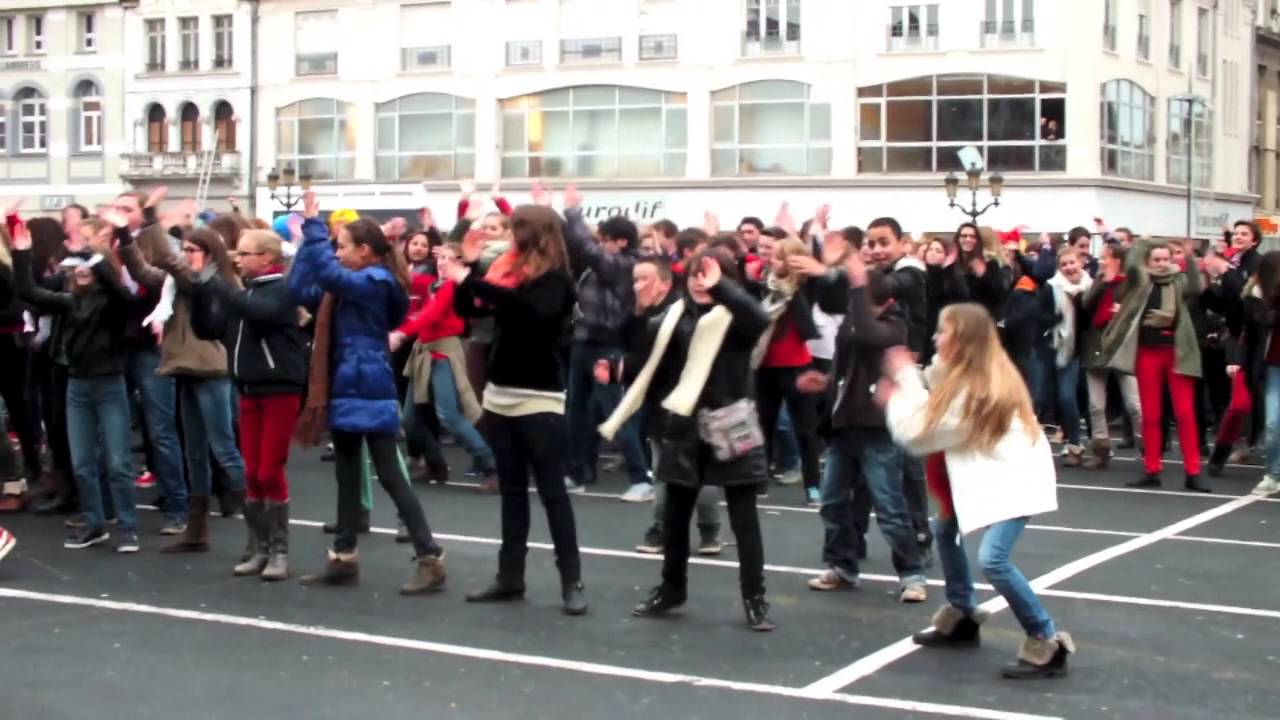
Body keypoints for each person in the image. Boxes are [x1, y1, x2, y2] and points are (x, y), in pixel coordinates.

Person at [885, 303, 1075, 680]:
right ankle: (961, 615)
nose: (936, 338)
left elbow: (917, 434)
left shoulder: (977, 389)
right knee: (944, 530)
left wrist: (902, 384)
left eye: (944, 332)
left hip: (1015, 479)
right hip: (993, 471)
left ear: (964, 341)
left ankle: (1046, 640)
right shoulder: (966, 373)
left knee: (994, 559)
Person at [606, 248, 774, 631]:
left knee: (744, 518)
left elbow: (759, 318)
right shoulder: (672, 318)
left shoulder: (734, 319)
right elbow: (648, 362)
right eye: (696, 273)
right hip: (683, 424)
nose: (700, 280)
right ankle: (671, 589)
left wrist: (725, 289)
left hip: (732, 422)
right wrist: (619, 368)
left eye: (710, 274)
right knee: (676, 516)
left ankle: (755, 597)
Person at [289, 192, 447, 595]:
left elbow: (330, 276)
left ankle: (430, 557)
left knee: (391, 475)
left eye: (342, 246)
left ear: (365, 251)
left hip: (367, 381)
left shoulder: (375, 281)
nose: (337, 253)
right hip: (348, 382)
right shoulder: (350, 284)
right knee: (345, 475)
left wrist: (313, 229)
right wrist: (313, 245)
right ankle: (343, 556)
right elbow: (300, 287)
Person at [445, 203, 587, 617]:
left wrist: (471, 277)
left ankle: (571, 580)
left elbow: (527, 314)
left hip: (538, 393)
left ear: (532, 234)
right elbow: (472, 312)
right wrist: (463, 278)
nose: (506, 236)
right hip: (500, 390)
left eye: (513, 229)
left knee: (552, 492)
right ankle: (510, 576)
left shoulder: (556, 280)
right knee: (511, 491)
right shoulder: (505, 272)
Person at [801, 252, 929, 602]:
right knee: (832, 501)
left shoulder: (894, 325)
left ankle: (911, 573)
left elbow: (869, 335)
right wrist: (825, 382)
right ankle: (843, 565)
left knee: (889, 506)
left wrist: (858, 286)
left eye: (858, 297)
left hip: (878, 430)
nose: (851, 302)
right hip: (845, 426)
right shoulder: (853, 322)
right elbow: (848, 368)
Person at [117, 220, 249, 551]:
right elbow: (146, 274)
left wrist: (149, 222)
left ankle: (260, 532)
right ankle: (196, 531)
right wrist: (124, 240)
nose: (186, 255)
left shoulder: (213, 282)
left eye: (193, 250)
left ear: (209, 253)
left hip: (210, 370)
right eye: (185, 249)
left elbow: (175, 267)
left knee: (224, 448)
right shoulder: (178, 283)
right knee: (194, 454)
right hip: (185, 369)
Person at [11, 217, 141, 553]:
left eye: (86, 267)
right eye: (76, 267)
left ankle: (127, 528)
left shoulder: (112, 304)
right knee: (83, 464)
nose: (79, 271)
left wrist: (93, 256)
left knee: (117, 463)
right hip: (78, 389)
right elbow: (29, 291)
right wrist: (23, 254)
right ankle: (95, 524)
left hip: (109, 386)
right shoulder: (69, 302)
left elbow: (123, 294)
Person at [208, 229, 308, 581]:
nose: (240, 258)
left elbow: (259, 312)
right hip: (249, 388)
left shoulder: (281, 291)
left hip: (279, 388)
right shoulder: (246, 292)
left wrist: (222, 284)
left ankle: (279, 550)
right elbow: (214, 328)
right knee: (251, 472)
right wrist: (200, 294)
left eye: (246, 253)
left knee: (270, 469)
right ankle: (258, 546)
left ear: (268, 258)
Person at [608, 257, 723, 557]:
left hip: (693, 404)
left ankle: (691, 530)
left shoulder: (679, 316)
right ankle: (677, 530)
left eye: (645, 278)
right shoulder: (650, 314)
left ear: (666, 282)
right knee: (666, 471)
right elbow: (626, 342)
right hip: (663, 405)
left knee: (694, 472)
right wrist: (638, 311)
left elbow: (651, 360)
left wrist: (622, 368)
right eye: (635, 279)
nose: (638, 285)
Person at [561, 190, 649, 499]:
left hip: (608, 345)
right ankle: (578, 471)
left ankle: (641, 478)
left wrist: (572, 212)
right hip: (583, 341)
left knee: (615, 410)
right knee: (576, 412)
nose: (600, 244)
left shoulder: (625, 264)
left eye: (606, 239)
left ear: (621, 242)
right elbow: (578, 248)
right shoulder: (601, 265)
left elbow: (588, 249)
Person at [1100, 239, 1206, 491]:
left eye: (1165, 259)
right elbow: (1134, 259)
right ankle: (1152, 468)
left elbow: (1196, 286)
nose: (1161, 264)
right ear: (1148, 261)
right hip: (1148, 352)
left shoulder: (1179, 281)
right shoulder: (1141, 283)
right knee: (1151, 414)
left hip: (1177, 352)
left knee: (1184, 413)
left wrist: (1189, 257)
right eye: (1156, 259)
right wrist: (1149, 240)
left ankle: (1193, 471)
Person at [1079, 242, 1143, 468]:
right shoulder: (1099, 280)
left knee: (1134, 404)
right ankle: (1101, 449)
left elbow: (1136, 307)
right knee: (1096, 405)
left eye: (1105, 257)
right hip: (1095, 344)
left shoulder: (1130, 282)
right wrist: (1102, 283)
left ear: (1117, 259)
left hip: (1121, 345)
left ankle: (1147, 449)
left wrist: (1122, 310)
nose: (1101, 261)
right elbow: (1087, 307)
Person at [1044, 247, 1092, 466]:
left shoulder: (1091, 287)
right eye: (1064, 265)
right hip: (1056, 345)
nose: (1069, 268)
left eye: (1072, 262)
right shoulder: (1052, 287)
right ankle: (1072, 442)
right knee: (1054, 397)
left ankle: (1078, 443)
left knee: (1072, 397)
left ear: (1081, 262)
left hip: (1081, 348)